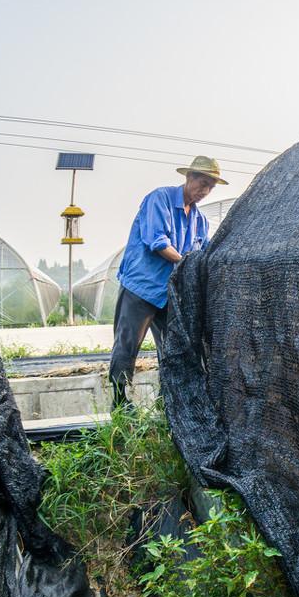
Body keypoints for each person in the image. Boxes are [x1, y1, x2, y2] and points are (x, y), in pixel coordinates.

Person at [109, 155, 226, 408]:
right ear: (189, 177)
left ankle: (168, 401)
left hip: (170, 293)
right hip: (141, 288)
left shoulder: (200, 221)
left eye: (210, 187)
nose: (204, 191)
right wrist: (186, 262)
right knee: (127, 344)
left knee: (171, 348)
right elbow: (158, 242)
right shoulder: (159, 199)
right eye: (202, 183)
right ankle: (120, 401)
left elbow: (204, 254)